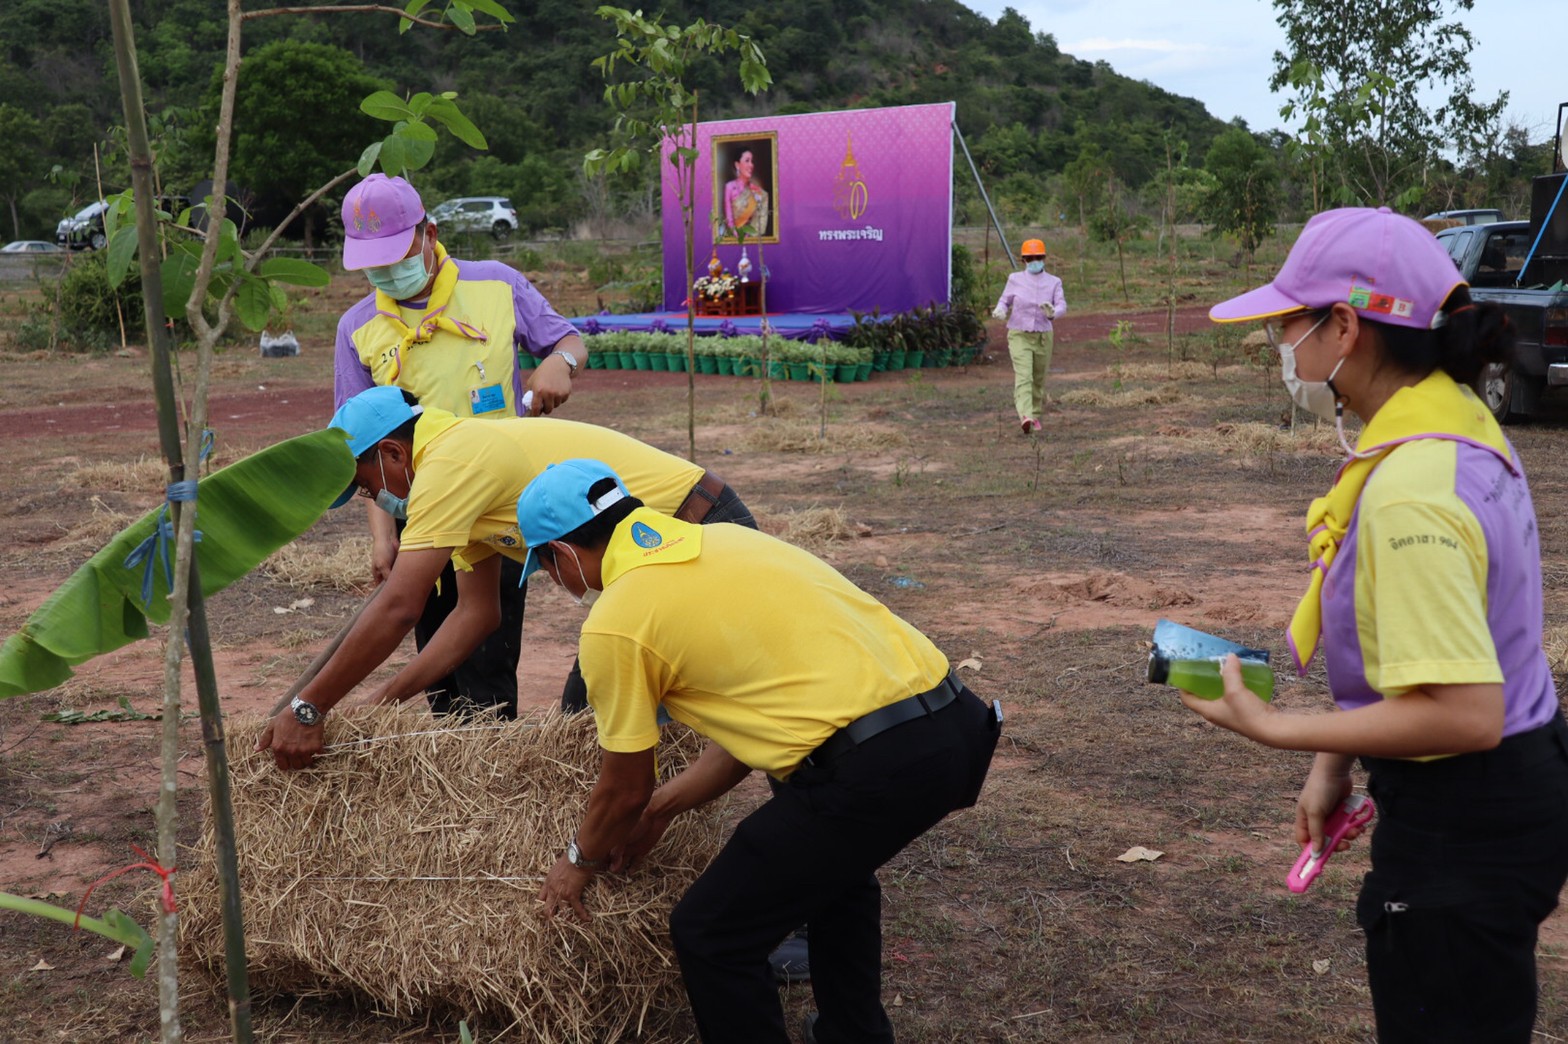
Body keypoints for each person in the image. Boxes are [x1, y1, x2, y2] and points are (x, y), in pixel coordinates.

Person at [1186, 206, 1568, 1043]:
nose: (1280, 347)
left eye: (1287, 324)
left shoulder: (1409, 492)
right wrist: (1335, 762)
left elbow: (1466, 713)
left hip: (1463, 820)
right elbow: (1429, 650)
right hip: (1518, 786)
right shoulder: (1456, 424)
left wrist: (1277, 726)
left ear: (1345, 328)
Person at [524, 459, 1001, 1044]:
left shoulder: (617, 622)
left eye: (545, 565)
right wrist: (663, 810)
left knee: (711, 933)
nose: (553, 579)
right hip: (959, 725)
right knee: (834, 875)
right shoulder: (729, 541)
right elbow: (742, 741)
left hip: (875, 767)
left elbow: (622, 789)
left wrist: (578, 862)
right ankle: (853, 1034)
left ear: (564, 554)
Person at [256, 386, 753, 770]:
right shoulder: (458, 473)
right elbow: (476, 615)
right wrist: (375, 706)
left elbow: (400, 605)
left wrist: (310, 708)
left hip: (694, 528)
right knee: (595, 723)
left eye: (367, 488)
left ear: (392, 454)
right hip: (654, 557)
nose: (374, 501)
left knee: (602, 716)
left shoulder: (451, 464)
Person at [334, 173, 589, 719]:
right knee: (434, 647)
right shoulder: (357, 328)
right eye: (371, 264)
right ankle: (453, 759)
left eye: (395, 255)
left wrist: (558, 363)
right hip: (418, 510)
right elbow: (360, 448)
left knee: (486, 657)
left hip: (498, 508)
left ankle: (489, 760)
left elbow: (567, 339)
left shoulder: (497, 285)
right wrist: (383, 536)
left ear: (430, 233)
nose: (385, 273)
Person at [992, 238, 1067, 434]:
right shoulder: (1014, 279)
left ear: (1044, 258)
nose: (1034, 261)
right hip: (1019, 334)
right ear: (1023, 260)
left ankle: (1035, 413)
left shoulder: (1054, 282)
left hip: (1043, 335)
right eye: (1030, 258)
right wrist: (1000, 309)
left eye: (1038, 257)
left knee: (1038, 378)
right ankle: (1025, 416)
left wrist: (1053, 313)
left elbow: (1061, 305)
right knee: (1024, 376)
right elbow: (1005, 300)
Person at [722, 149, 769, 239]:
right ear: (737, 165)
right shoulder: (729, 187)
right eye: (747, 161)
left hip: (753, 240)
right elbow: (729, 220)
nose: (751, 165)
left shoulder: (758, 192)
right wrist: (738, 236)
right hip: (734, 239)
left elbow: (760, 223)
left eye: (752, 161)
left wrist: (748, 236)